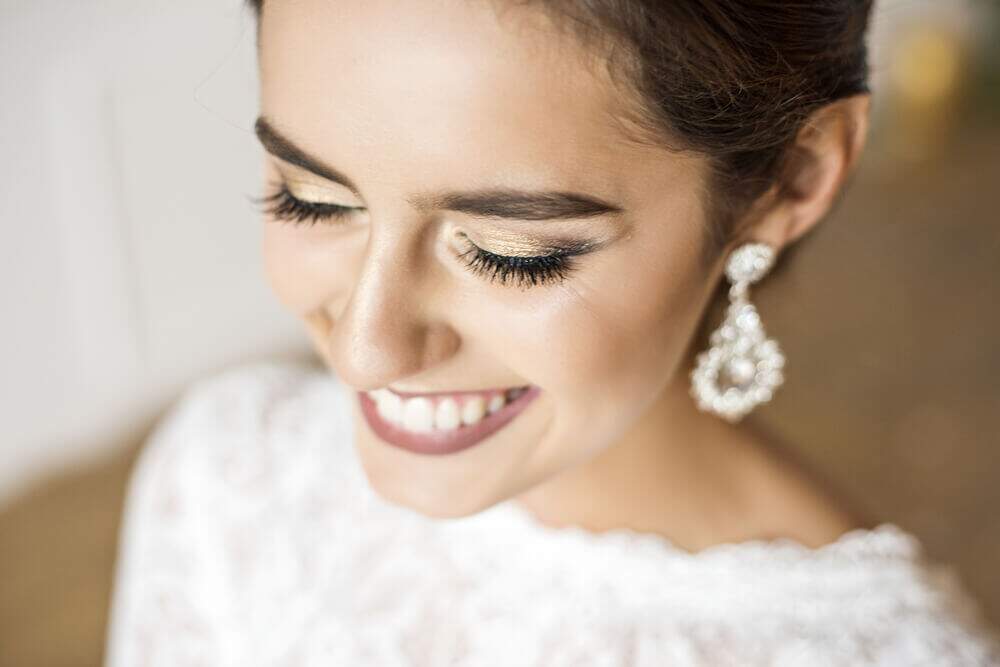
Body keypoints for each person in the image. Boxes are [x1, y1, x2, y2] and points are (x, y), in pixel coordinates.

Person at [106, 1, 1000, 664]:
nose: (365, 351)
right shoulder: (232, 473)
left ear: (791, 179)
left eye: (511, 254)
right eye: (310, 199)